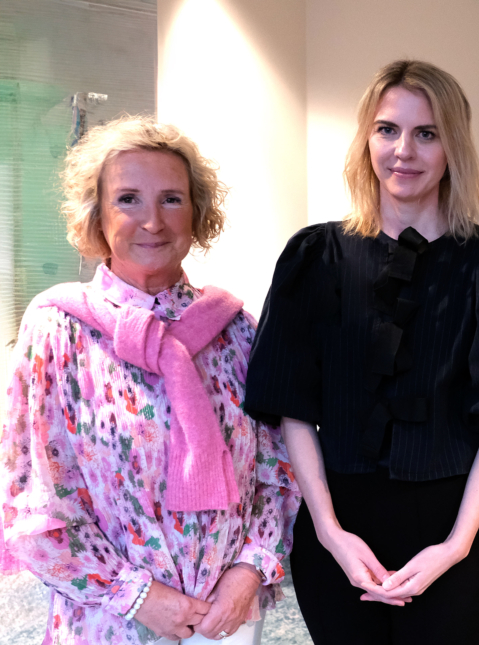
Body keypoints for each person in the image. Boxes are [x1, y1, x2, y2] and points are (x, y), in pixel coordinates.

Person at [242, 60, 479, 645]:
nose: (404, 150)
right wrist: (330, 533)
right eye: (387, 130)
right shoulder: (315, 255)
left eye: (427, 133)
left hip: (453, 535)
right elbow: (291, 409)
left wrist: (456, 545)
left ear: (453, 146)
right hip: (337, 532)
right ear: (366, 139)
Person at [0, 116, 301, 645]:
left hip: (227, 618)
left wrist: (248, 573)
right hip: (108, 620)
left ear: (197, 213)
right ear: (97, 215)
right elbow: (31, 500)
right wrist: (139, 597)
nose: (153, 221)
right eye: (128, 199)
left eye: (171, 199)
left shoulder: (236, 331)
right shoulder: (57, 328)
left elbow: (276, 471)